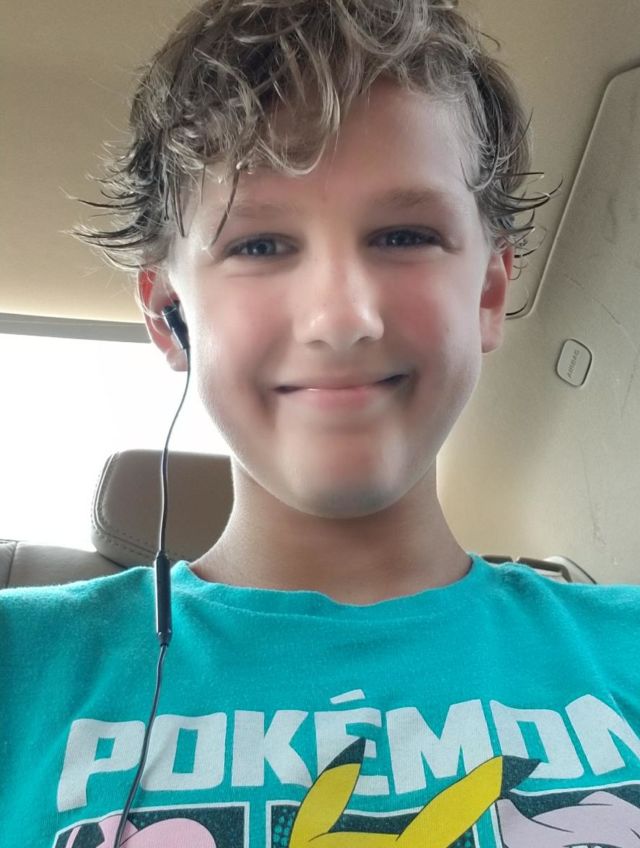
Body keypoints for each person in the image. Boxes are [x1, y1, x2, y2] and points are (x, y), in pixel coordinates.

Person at [2, 1, 640, 845]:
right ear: (168, 316)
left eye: (405, 235)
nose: (342, 319)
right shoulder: (19, 665)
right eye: (260, 245)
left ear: (488, 293)